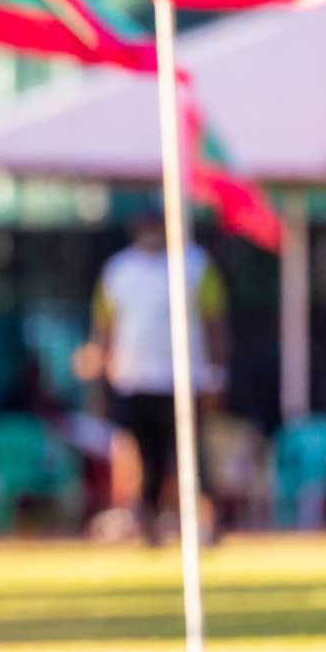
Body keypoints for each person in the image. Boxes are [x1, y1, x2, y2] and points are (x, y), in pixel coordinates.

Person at [85, 211, 230, 545]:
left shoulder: (195, 264)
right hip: (134, 380)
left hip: (183, 379)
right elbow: (105, 328)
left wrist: (216, 375)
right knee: (145, 458)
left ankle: (208, 523)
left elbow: (214, 323)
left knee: (192, 455)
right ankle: (148, 525)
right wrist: (101, 379)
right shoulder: (118, 270)